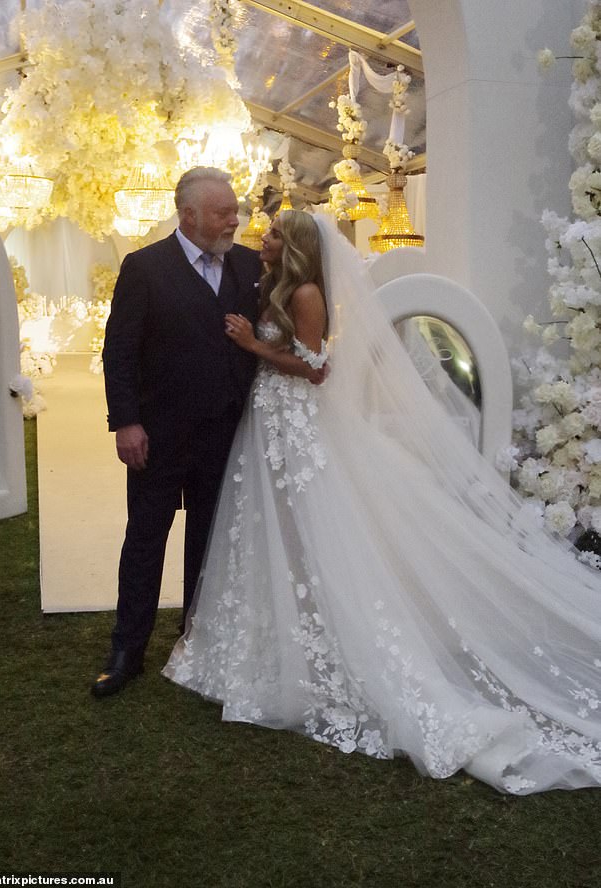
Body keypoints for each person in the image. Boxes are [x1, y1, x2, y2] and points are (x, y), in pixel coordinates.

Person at [163, 210, 601, 794]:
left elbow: (318, 369)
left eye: (270, 234)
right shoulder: (274, 285)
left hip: (297, 421)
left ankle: (332, 646)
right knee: (273, 530)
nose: (259, 239)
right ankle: (275, 640)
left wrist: (254, 346)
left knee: (314, 528)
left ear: (290, 246)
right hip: (271, 421)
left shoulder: (311, 293)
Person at [91, 167, 262, 698]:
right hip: (158, 436)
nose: (235, 219)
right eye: (222, 212)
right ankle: (129, 649)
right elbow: (119, 351)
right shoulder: (144, 268)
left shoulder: (251, 265)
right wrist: (126, 422)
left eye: (235, 209)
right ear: (187, 215)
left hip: (224, 433)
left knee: (210, 541)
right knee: (145, 538)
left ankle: (198, 641)